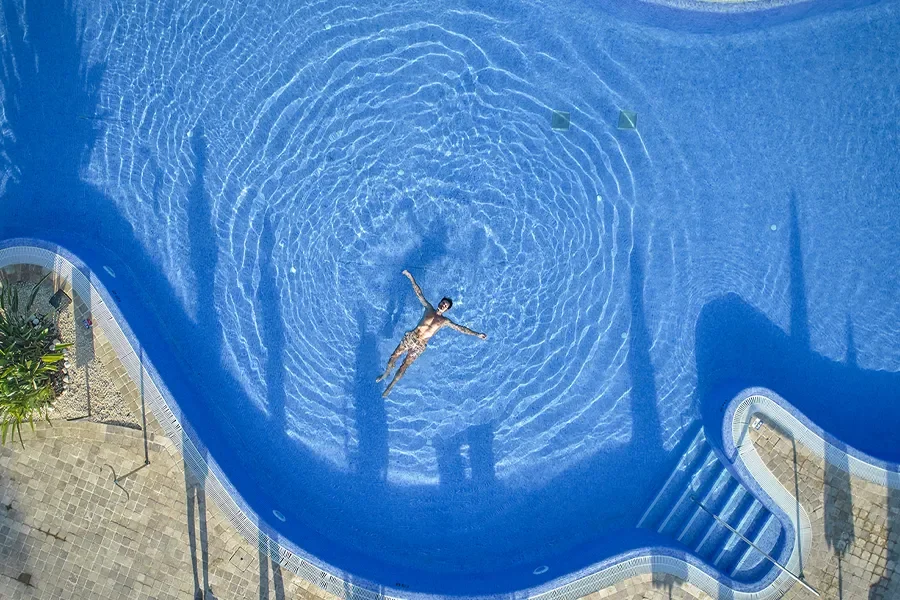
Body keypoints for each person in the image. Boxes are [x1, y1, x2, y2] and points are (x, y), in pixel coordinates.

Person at [377, 269, 487, 397]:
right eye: (442, 303)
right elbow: (419, 294)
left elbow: (461, 329)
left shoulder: (444, 321)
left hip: (420, 345)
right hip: (412, 337)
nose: (442, 305)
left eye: (445, 306)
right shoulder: (429, 308)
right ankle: (386, 374)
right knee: (394, 355)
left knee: (404, 366)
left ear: (447, 309)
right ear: (439, 303)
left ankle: (390, 387)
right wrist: (410, 277)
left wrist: (477, 334)